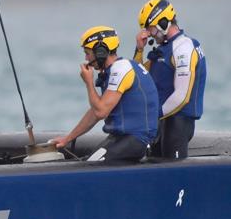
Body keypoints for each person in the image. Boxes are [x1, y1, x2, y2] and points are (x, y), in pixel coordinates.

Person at [51, 26, 159, 163]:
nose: (86, 58)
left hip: (134, 139)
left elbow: (101, 111)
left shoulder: (120, 69)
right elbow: (95, 112)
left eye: (87, 53)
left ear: (100, 52)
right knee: (86, 162)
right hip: (121, 137)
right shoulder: (114, 70)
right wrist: (67, 138)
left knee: (90, 166)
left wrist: (89, 83)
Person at [134, 0, 206, 159]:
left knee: (172, 169)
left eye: (150, 29)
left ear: (164, 22)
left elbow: (182, 96)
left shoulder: (184, 47)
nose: (148, 34)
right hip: (161, 120)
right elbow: (138, 78)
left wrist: (153, 116)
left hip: (177, 122)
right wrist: (139, 50)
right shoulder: (164, 48)